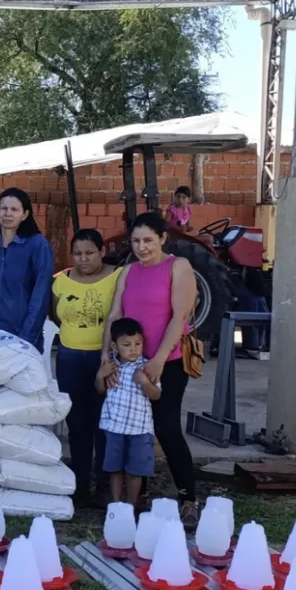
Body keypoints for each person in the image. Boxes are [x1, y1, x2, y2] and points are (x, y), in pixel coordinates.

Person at [103, 212, 198, 522]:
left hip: (167, 362)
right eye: (135, 241)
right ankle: (136, 495)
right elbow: (115, 315)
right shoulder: (128, 272)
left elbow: (179, 317)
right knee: (133, 427)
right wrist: (106, 357)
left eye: (148, 240)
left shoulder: (178, 267)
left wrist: (158, 360)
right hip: (130, 365)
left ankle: (188, 497)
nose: (141, 247)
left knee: (166, 428)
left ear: (162, 238)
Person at [50, 228, 120, 500]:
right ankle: (79, 483)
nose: (83, 259)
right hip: (69, 358)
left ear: (102, 251)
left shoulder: (117, 277)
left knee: (104, 421)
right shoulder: (61, 281)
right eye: (77, 254)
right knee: (77, 423)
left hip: (105, 359)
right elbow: (57, 317)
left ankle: (103, 483)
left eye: (90, 253)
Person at [0, 187, 54, 350]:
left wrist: (26, 339)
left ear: (24, 215)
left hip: (21, 337)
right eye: (3, 208)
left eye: (14, 209)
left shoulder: (37, 245)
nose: (8, 213)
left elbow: (41, 296)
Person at [98, 317, 162, 506]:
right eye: (126, 345)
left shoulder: (147, 367)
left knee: (135, 471)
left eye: (138, 343)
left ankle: (131, 506)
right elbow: (100, 390)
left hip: (139, 430)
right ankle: (116, 505)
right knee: (115, 469)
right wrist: (100, 376)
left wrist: (144, 382)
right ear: (114, 346)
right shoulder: (110, 366)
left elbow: (156, 395)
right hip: (114, 427)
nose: (133, 349)